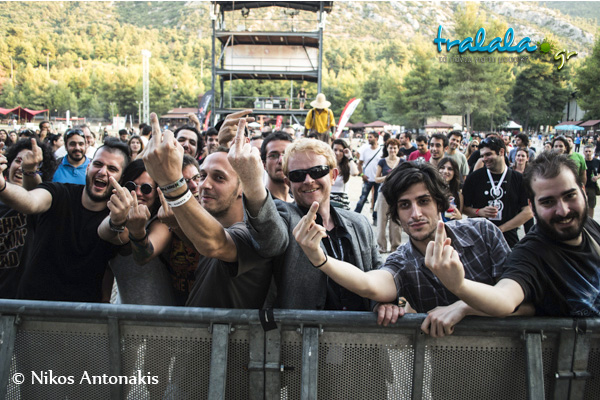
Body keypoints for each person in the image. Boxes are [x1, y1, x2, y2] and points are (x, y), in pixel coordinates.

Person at [295, 161, 526, 336]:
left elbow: (523, 303)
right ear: (396, 214)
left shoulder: (482, 232)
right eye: (405, 205)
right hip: (448, 374)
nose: (415, 214)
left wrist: (464, 307)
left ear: (439, 203)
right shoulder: (402, 262)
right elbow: (368, 284)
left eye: (423, 201)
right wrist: (320, 258)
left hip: (512, 367)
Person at [425, 151, 600, 317]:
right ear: (532, 207)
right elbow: (505, 297)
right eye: (548, 202)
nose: (563, 210)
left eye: (570, 196)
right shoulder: (529, 254)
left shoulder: (589, 226)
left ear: (583, 191)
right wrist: (460, 286)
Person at [229, 129, 381, 310]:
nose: (308, 180)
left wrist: (383, 303)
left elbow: (379, 271)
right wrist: (252, 182)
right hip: (304, 328)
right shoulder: (284, 216)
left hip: (361, 327)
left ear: (333, 176)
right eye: (298, 175)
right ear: (288, 183)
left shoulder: (359, 223)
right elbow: (270, 240)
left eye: (317, 171)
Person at [142, 113, 273, 309]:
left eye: (219, 178)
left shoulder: (255, 235)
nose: (203, 185)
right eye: (202, 175)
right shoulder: (213, 224)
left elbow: (215, 243)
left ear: (243, 189)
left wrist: (172, 184)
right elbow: (204, 242)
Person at [0, 138, 130, 302]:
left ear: (121, 179)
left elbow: (113, 233)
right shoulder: (59, 193)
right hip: (33, 308)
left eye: (112, 168)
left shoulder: (119, 214)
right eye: (98, 164)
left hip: (83, 313)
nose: (102, 172)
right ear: (88, 167)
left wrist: (118, 221)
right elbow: (30, 201)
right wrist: (2, 186)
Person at [0, 139, 57, 298]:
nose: (21, 166)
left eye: (32, 163)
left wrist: (30, 171)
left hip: (26, 300)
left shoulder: (44, 202)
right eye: (18, 161)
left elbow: (33, 192)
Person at [462, 136, 533, 247]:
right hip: (479, 239)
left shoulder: (518, 179)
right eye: (482, 156)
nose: (484, 159)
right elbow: (463, 208)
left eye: (488, 154)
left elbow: (528, 212)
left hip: (508, 241)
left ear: (501, 152)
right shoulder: (475, 177)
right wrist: (479, 212)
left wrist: (501, 229)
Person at [375, 138, 403, 253]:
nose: (392, 150)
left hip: (398, 194)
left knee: (396, 221)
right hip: (384, 193)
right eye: (390, 148)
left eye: (395, 148)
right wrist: (387, 177)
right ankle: (382, 246)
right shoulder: (382, 162)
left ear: (398, 149)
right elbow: (376, 179)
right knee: (382, 220)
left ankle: (395, 247)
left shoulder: (402, 162)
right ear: (387, 148)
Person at [354, 132, 382, 223]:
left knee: (377, 200)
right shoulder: (365, 150)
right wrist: (362, 174)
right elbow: (359, 164)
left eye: (371, 137)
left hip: (378, 179)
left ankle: (375, 218)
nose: (369, 139)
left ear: (376, 138)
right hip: (368, 179)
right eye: (368, 137)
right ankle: (355, 216)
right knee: (363, 198)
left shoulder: (381, 150)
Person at [261, 131, 294, 202]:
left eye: (286, 154)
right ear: (264, 164)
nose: (281, 160)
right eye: (273, 155)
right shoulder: (258, 203)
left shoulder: (300, 201)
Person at [331, 138, 358, 210]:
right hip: (328, 200)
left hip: (342, 202)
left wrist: (350, 157)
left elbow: (355, 173)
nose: (337, 153)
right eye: (335, 150)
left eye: (341, 150)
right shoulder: (327, 165)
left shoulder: (347, 166)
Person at [438, 157, 463, 221]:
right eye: (442, 168)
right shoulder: (430, 190)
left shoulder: (458, 195)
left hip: (450, 226)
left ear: (455, 172)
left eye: (450, 169)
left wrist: (459, 218)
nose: (445, 171)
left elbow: (459, 218)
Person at [584, 144, 600, 219]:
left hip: (592, 187)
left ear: (593, 152)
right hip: (582, 186)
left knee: (591, 205)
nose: (588, 153)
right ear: (583, 152)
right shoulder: (581, 161)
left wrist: (597, 177)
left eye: (589, 151)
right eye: (586, 151)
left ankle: (590, 221)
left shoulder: (597, 162)